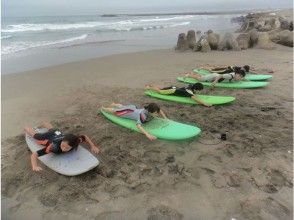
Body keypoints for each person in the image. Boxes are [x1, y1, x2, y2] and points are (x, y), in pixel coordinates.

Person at [24, 122, 100, 172]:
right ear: (62, 141)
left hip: (57, 133)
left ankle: (43, 122)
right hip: (51, 136)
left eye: (67, 148)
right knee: (37, 136)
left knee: (54, 130)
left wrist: (93, 146)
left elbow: (84, 136)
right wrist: (34, 166)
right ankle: (26, 127)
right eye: (63, 145)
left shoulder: (76, 141)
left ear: (74, 145)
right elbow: (34, 155)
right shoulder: (54, 147)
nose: (63, 149)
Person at [102, 103, 167, 141]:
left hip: (134, 108)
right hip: (128, 112)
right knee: (116, 111)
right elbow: (138, 125)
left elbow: (160, 110)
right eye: (155, 113)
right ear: (150, 111)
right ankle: (104, 108)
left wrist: (166, 118)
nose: (157, 114)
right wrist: (147, 134)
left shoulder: (151, 110)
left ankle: (114, 104)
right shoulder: (143, 116)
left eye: (157, 113)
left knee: (123, 107)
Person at [145, 83, 212, 107]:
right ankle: (149, 87)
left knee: (162, 89)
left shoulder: (192, 85)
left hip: (174, 87)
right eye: (199, 90)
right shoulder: (189, 91)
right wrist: (204, 103)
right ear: (197, 88)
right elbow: (194, 98)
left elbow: (193, 93)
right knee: (160, 92)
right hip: (172, 91)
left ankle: (151, 86)